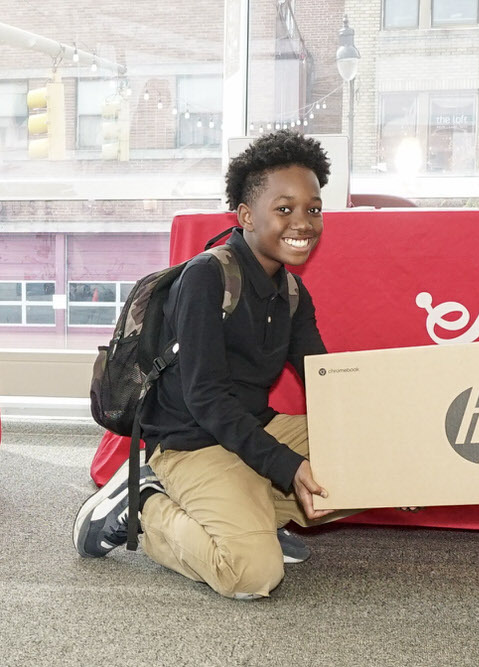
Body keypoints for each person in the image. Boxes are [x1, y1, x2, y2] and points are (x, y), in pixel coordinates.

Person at [73, 130, 356, 599]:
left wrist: (391, 454)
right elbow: (206, 400)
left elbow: (324, 383)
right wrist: (286, 465)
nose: (303, 222)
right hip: (192, 441)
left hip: (246, 429)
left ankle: (253, 518)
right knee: (252, 575)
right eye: (284, 209)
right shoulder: (207, 277)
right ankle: (146, 506)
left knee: (367, 454)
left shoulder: (291, 293)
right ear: (246, 215)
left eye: (313, 208)